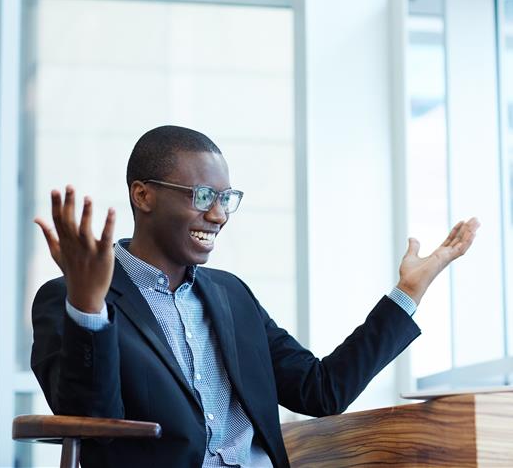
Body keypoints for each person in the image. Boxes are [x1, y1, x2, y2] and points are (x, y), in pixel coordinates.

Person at [31, 125, 479, 468]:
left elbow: (322, 391)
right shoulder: (66, 299)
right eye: (203, 195)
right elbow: (92, 426)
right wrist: (89, 307)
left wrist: (408, 292)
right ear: (143, 195)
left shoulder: (231, 296)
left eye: (226, 198)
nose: (219, 214)